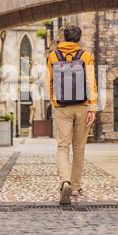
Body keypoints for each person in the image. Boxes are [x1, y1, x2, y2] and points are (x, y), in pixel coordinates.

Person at [46, 25, 98, 204]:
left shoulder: (53, 56)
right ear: (79, 38)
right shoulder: (86, 56)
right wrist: (92, 107)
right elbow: (91, 83)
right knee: (79, 148)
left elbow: (49, 81)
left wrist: (55, 102)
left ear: (65, 38)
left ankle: (65, 181)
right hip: (83, 106)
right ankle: (75, 187)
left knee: (62, 146)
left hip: (62, 107)